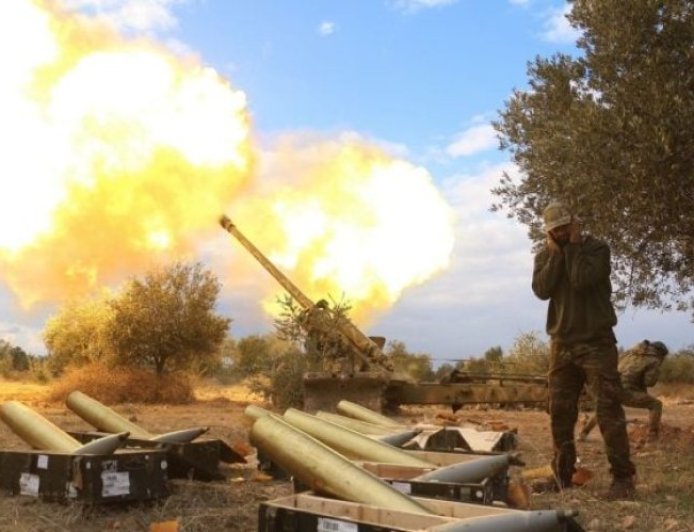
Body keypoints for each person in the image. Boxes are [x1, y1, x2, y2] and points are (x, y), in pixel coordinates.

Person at [532, 201, 636, 500]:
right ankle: (561, 476)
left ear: (575, 223)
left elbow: (580, 280)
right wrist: (555, 256)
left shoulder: (597, 250)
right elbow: (541, 290)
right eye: (556, 230)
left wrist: (573, 248)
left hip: (597, 344)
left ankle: (623, 480)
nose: (562, 232)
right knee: (560, 413)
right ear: (549, 232)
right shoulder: (545, 255)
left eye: (566, 226)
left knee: (608, 411)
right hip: (561, 345)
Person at [579, 340, 669, 442]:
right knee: (656, 404)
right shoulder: (653, 360)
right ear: (660, 353)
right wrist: (656, 371)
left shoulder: (629, 352)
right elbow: (649, 382)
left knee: (604, 408)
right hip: (626, 390)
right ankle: (653, 436)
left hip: (610, 385)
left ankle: (583, 433)